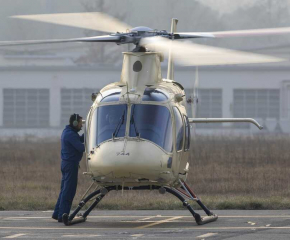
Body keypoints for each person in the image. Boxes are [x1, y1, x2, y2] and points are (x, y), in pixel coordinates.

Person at [52, 113, 85, 222]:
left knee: (64, 190)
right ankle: (63, 215)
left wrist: (88, 133)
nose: (81, 125)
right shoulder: (70, 135)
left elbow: (79, 139)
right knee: (69, 190)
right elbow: (81, 148)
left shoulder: (70, 132)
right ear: (75, 123)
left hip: (67, 164)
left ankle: (57, 213)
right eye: (80, 123)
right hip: (70, 165)